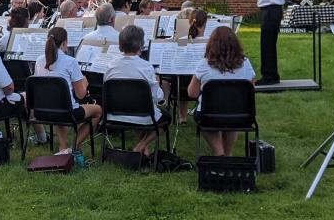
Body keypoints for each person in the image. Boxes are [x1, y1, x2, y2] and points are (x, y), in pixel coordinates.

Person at [186, 26, 256, 156]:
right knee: (231, 109)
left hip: (209, 116)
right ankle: (227, 155)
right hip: (241, 115)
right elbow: (251, 90)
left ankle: (219, 154)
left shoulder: (204, 64)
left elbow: (192, 93)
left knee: (205, 113)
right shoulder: (246, 63)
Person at [34, 27, 102, 156]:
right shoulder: (70, 62)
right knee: (98, 110)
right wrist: (85, 83)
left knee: (60, 103)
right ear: (65, 43)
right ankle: (74, 146)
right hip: (66, 112)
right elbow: (81, 95)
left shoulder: (39, 61)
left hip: (42, 111)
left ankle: (63, 147)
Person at [103, 25, 167, 156]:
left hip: (114, 114)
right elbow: (157, 97)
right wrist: (157, 83)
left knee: (139, 107)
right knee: (166, 118)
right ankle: (141, 146)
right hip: (142, 114)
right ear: (141, 44)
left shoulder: (110, 66)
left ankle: (143, 149)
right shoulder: (146, 66)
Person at [232, 0, 286, 86]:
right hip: (269, 11)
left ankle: (270, 77)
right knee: (267, 44)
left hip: (272, 10)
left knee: (267, 45)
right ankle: (271, 75)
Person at [160, 9, 208, 124]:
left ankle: (182, 117)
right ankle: (186, 115)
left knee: (181, 75)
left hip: (179, 87)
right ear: (205, 24)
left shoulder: (179, 42)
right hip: (202, 88)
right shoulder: (209, 44)